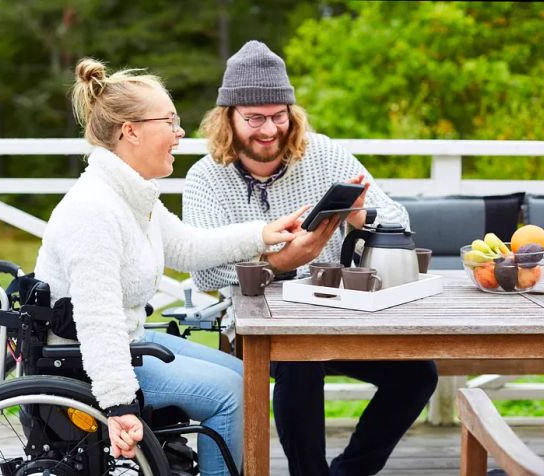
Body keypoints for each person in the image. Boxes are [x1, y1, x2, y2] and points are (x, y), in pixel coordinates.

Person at [33, 57, 308, 476]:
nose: (180, 133)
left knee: (245, 375)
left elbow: (187, 246)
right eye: (170, 121)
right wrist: (120, 405)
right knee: (234, 393)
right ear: (131, 131)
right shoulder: (94, 210)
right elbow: (97, 320)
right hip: (87, 359)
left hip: (129, 338)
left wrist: (264, 233)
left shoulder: (130, 194)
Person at [183, 40, 439, 476]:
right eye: (255, 119)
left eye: (279, 115)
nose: (269, 129)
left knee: (419, 376)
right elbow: (204, 270)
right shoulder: (205, 177)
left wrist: (362, 216)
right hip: (257, 321)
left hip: (339, 311)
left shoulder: (322, 153)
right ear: (228, 118)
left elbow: (399, 217)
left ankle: (348, 472)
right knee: (300, 361)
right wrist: (278, 264)